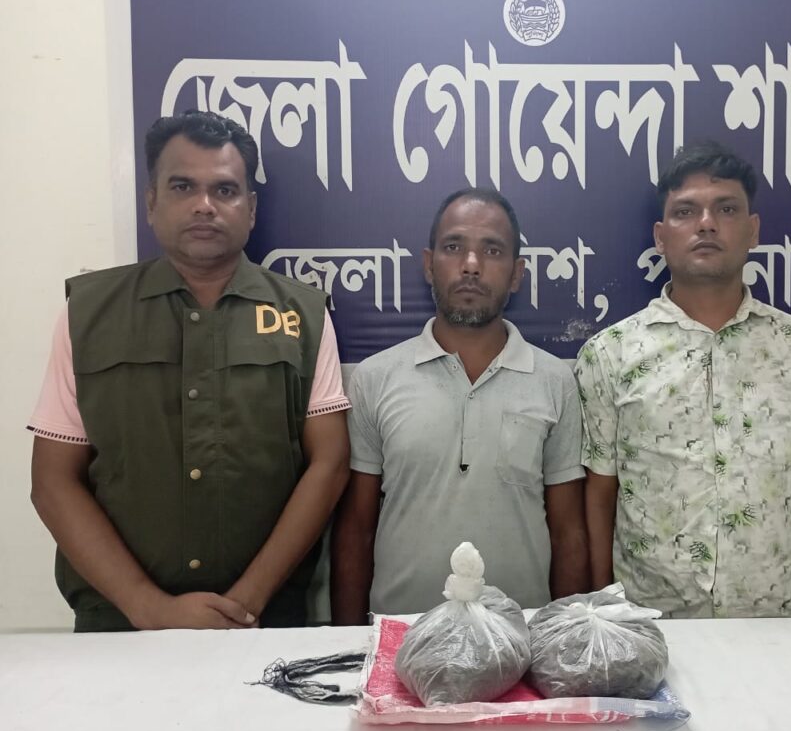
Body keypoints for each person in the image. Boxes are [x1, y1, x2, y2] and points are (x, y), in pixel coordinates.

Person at [27, 111, 351, 631]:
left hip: (264, 624)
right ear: (151, 202)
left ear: (250, 209)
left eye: (224, 190)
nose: (204, 205)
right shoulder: (88, 314)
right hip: (118, 626)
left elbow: (329, 465)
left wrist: (246, 602)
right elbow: (53, 481)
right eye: (183, 186)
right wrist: (148, 607)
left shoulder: (303, 314)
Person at [575, 140, 791, 618]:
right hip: (656, 626)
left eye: (726, 209)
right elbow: (599, 497)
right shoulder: (610, 354)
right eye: (685, 211)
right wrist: (605, 620)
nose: (706, 223)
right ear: (660, 237)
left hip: (783, 629)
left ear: (753, 231)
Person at [331, 188, 589, 623]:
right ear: (428, 265)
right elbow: (356, 530)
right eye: (454, 247)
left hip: (520, 635)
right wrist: (350, 639)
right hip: (402, 635)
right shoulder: (375, 378)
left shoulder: (554, 381)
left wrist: (565, 637)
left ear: (516, 274)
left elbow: (569, 532)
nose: (471, 264)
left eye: (492, 250)